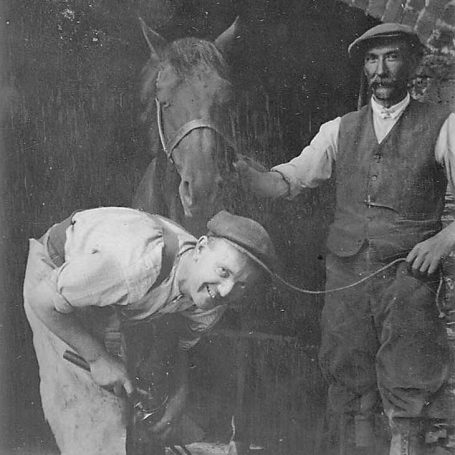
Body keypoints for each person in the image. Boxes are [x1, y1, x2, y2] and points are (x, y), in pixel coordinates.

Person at [235, 23, 455, 455]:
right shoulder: (339, 129)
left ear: (411, 64)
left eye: (391, 57)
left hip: (408, 279)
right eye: (372, 60)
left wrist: (443, 242)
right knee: (349, 383)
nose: (381, 69)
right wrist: (250, 176)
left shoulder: (443, 126)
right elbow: (289, 180)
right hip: (346, 277)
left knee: (407, 383)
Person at [23, 207, 276, 455]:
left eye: (241, 285)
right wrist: (97, 358)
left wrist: (178, 395)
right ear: (200, 248)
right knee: (98, 420)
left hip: (114, 299)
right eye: (224, 271)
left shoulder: (213, 296)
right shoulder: (137, 264)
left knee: (138, 397)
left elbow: (178, 342)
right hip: (57, 281)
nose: (225, 290)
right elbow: (43, 300)